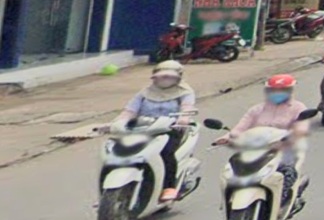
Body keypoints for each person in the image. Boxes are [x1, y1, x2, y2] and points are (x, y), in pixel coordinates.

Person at [215, 75, 312, 200]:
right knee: (233, 171)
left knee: (286, 172)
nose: (278, 93)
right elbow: (240, 128)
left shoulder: (298, 108)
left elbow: (301, 128)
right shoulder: (257, 109)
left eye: (283, 90)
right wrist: (227, 137)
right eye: (274, 90)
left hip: (283, 150)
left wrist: (294, 135)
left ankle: (282, 199)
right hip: (256, 149)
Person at [117, 61, 198, 200]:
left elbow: (187, 107)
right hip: (143, 129)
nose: (165, 80)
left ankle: (169, 187)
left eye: (169, 77)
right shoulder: (144, 93)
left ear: (178, 77)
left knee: (165, 153)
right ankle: (111, 191)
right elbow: (130, 111)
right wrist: (117, 123)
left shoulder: (184, 92)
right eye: (161, 76)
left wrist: (183, 117)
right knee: (120, 151)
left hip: (170, 130)